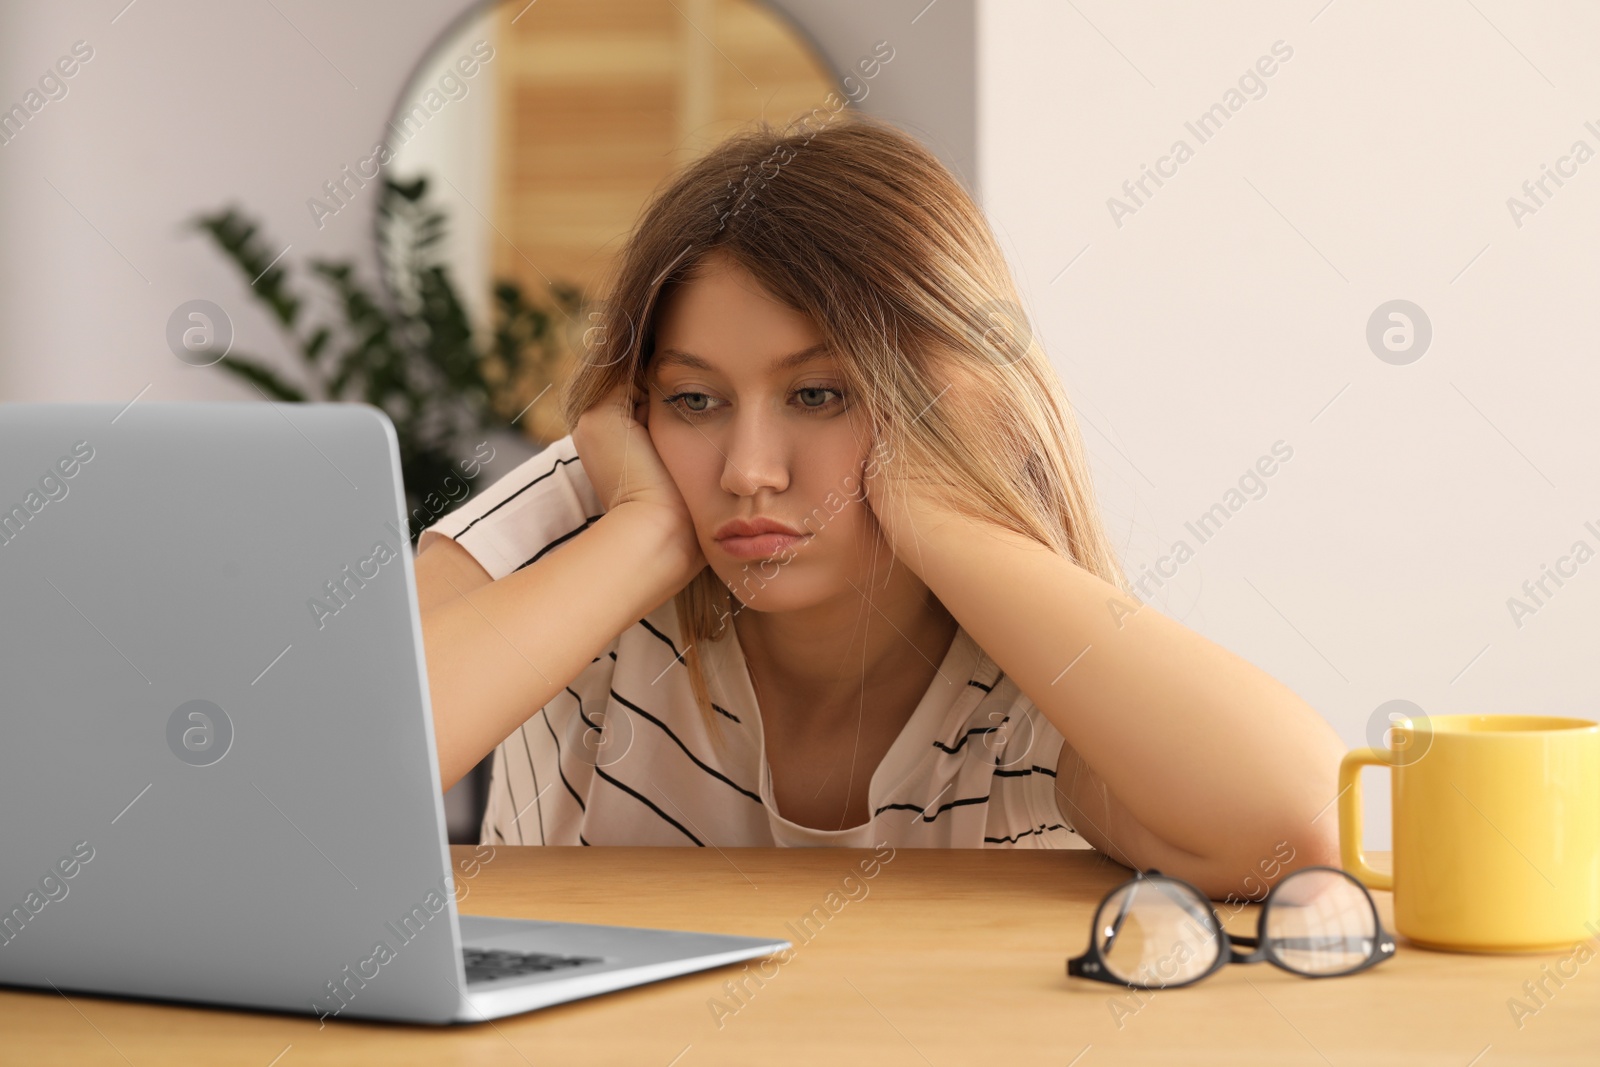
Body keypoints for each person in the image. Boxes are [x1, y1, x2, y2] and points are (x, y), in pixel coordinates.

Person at [414, 112, 1345, 897]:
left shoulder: (1023, 671)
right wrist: (645, 536)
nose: (747, 471)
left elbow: (1294, 829)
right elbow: (310, 776)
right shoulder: (613, 502)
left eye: (821, 395)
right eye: (695, 399)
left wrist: (937, 507)